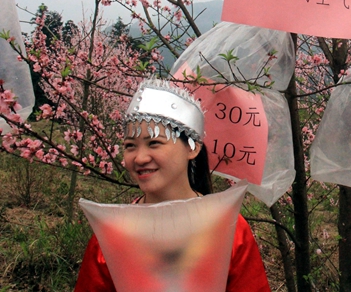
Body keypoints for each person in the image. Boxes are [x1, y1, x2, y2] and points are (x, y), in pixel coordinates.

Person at [74, 79, 270, 291]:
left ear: (193, 148)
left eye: (154, 143)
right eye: (130, 146)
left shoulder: (229, 228)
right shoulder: (112, 234)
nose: (139, 158)